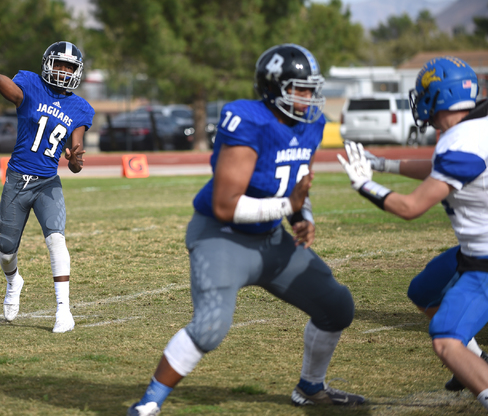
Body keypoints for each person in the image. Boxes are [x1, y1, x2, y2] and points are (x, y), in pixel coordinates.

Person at [127, 44, 364, 416]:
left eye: (310, 88)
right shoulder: (247, 119)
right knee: (210, 328)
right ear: (274, 88)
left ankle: (310, 387)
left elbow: (295, 184)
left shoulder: (311, 124)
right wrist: (291, 207)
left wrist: (304, 218)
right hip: (221, 236)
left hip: (270, 239)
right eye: (299, 89)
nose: (309, 97)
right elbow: (226, 204)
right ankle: (149, 403)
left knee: (337, 306)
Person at [338, 56, 488, 411]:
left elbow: (410, 208)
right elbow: (443, 169)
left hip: (483, 258)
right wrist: (382, 164)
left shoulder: (461, 142)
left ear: (439, 96)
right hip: (472, 249)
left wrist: (365, 185)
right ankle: (476, 365)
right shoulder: (474, 129)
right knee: (424, 291)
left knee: (446, 340)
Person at [0, 28, 94, 333]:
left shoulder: (80, 108)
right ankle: (14, 281)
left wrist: (76, 160)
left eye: (69, 67)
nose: (63, 72)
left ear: (76, 72)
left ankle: (64, 312)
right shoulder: (29, 83)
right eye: (59, 65)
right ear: (47, 64)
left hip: (47, 183)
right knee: (5, 250)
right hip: (17, 180)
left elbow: (75, 158)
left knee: (56, 240)